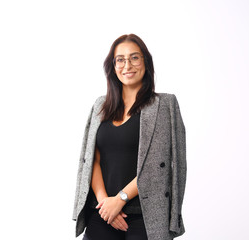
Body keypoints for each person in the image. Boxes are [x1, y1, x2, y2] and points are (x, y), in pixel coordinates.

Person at [72, 34, 187, 240]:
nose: (128, 65)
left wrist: (120, 200)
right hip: (103, 212)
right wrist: (105, 203)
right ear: (113, 66)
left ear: (146, 62)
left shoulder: (164, 105)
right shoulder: (100, 105)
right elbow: (93, 160)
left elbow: (157, 167)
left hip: (146, 214)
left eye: (135, 57)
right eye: (121, 59)